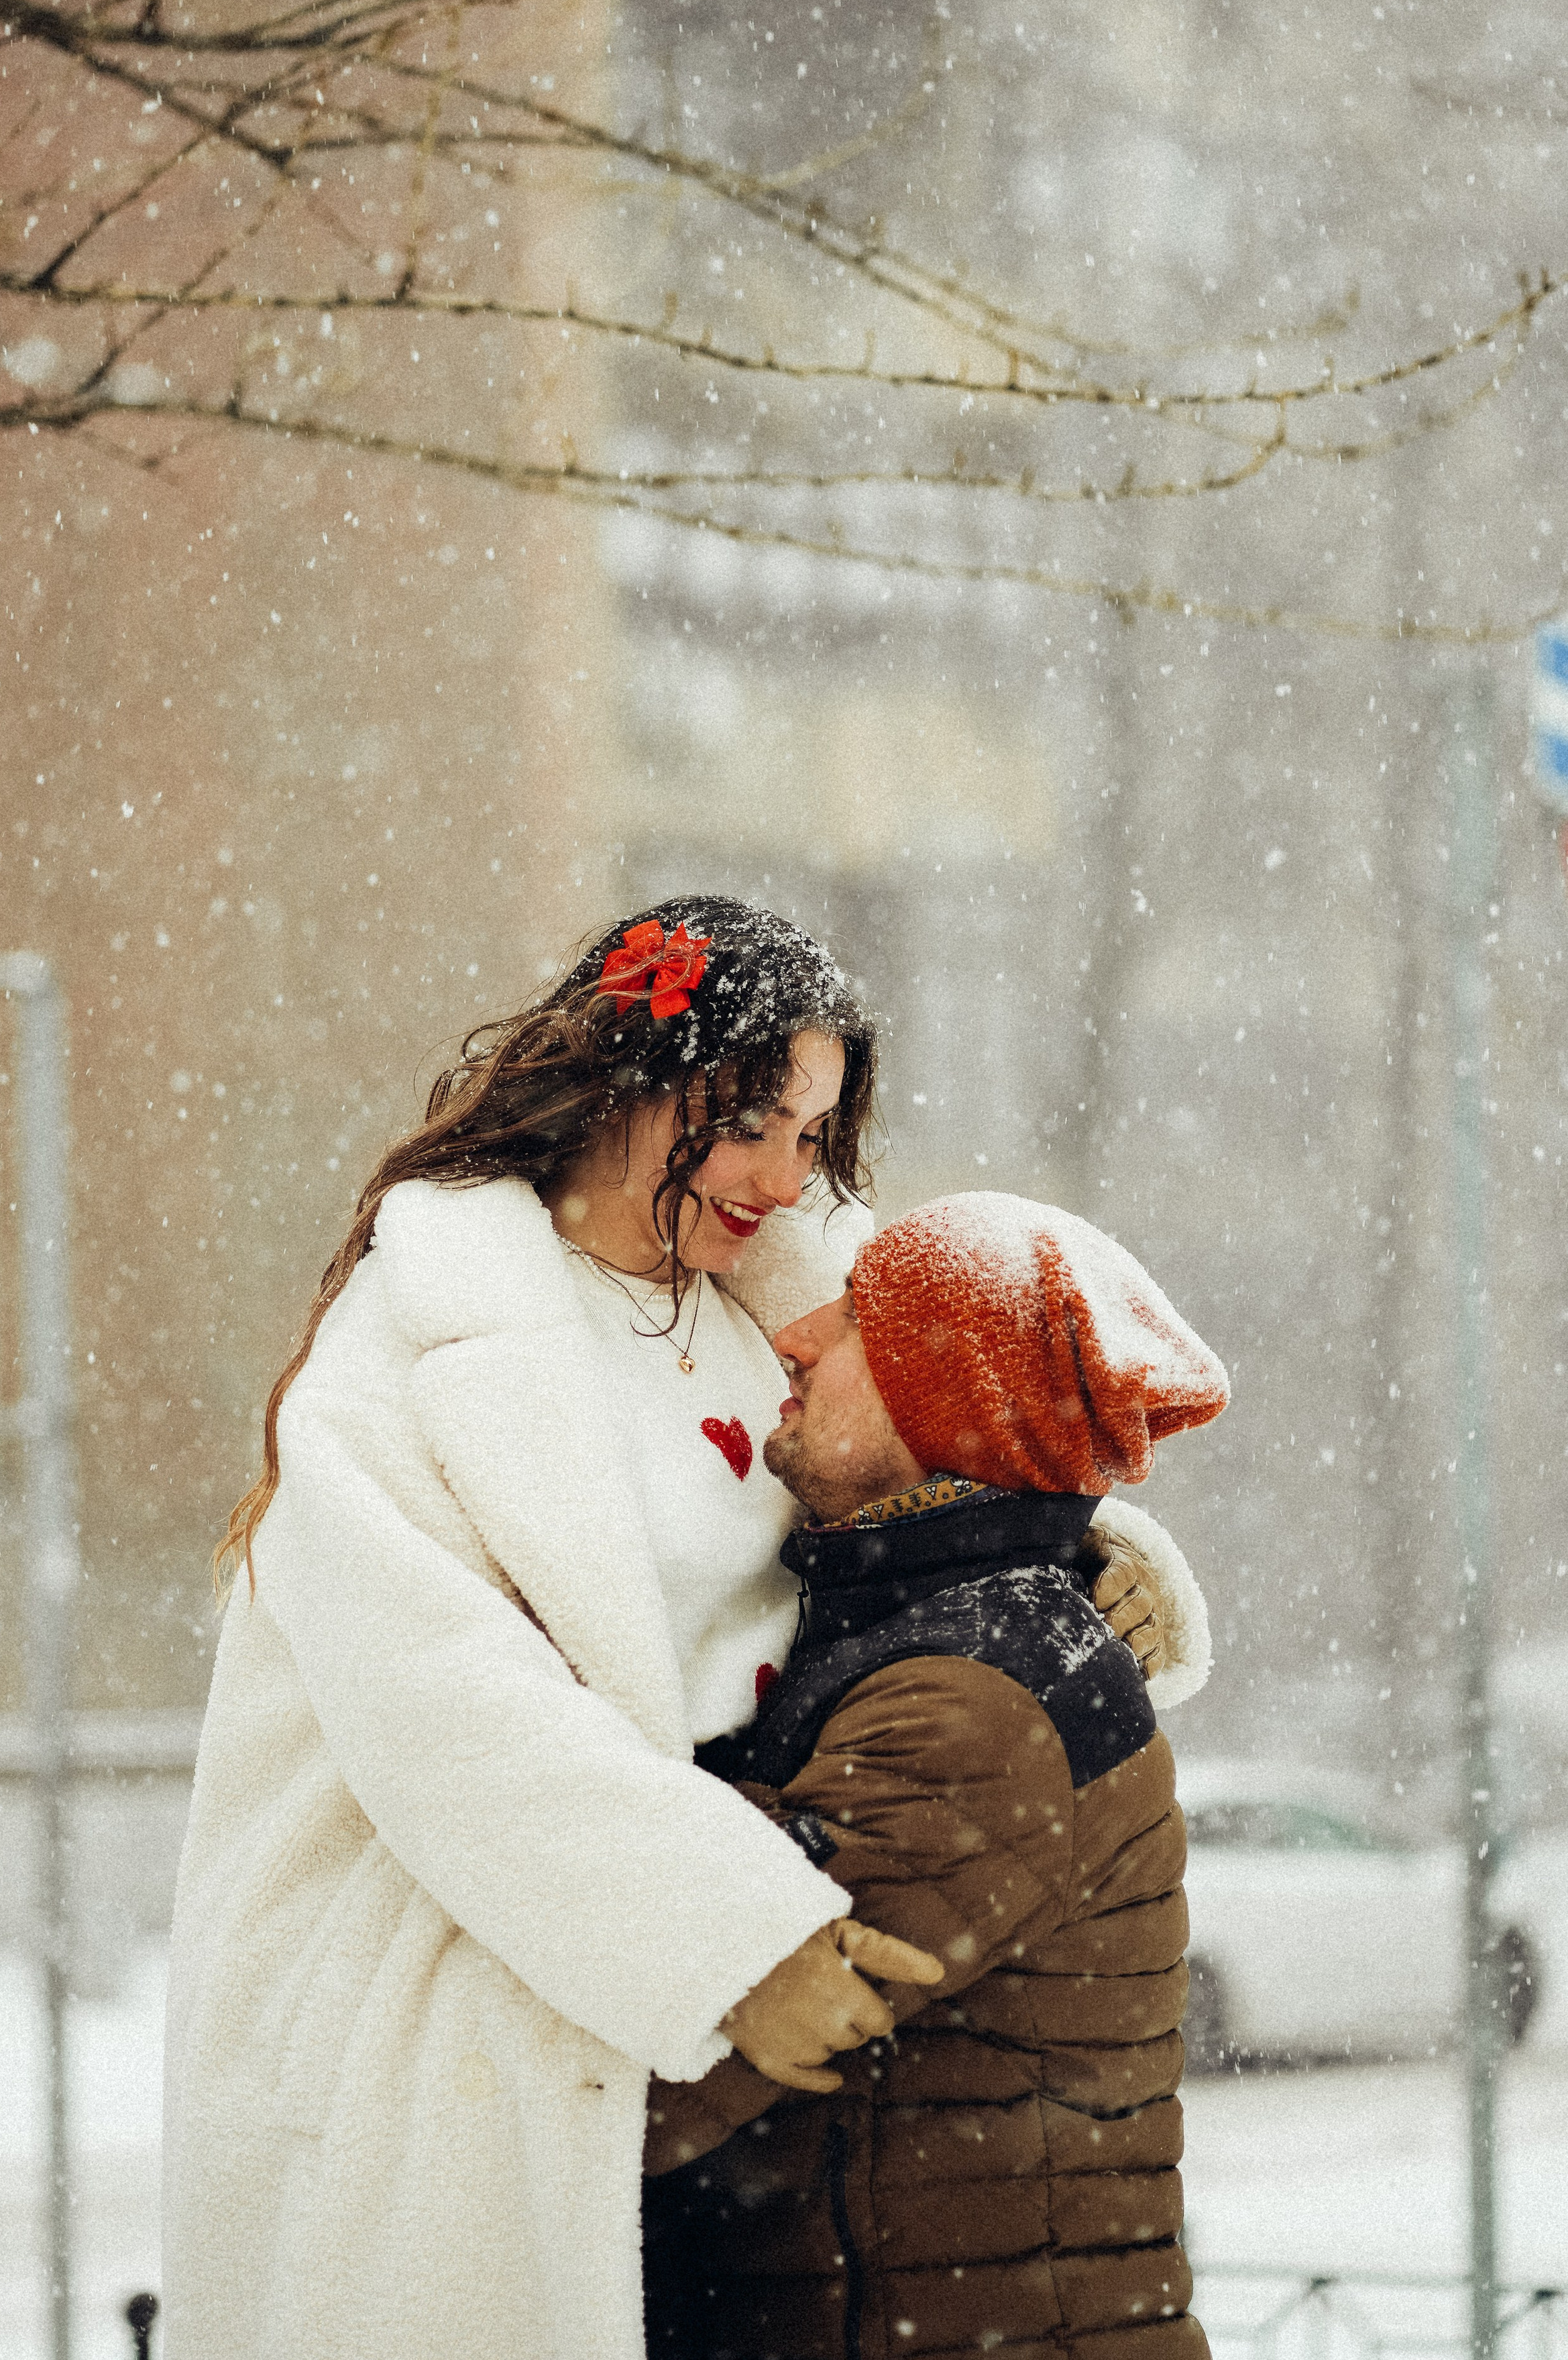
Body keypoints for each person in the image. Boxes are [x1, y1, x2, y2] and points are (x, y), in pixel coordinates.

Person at [163, 901, 1206, 2360]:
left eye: (813, 1135)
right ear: (626, 1081)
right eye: (749, 1123)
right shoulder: (407, 1362)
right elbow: (450, 1717)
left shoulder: (762, 1297)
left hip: (633, 1997)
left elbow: (935, 1433)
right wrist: (722, 1936)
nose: (784, 1179)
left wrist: (1072, 1551)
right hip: (434, 1998)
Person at [642, 1192, 1228, 2360]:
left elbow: (670, 2070)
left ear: (945, 1402)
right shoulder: (943, 1628)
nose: (798, 1336)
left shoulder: (975, 1700)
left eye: (856, 1318)